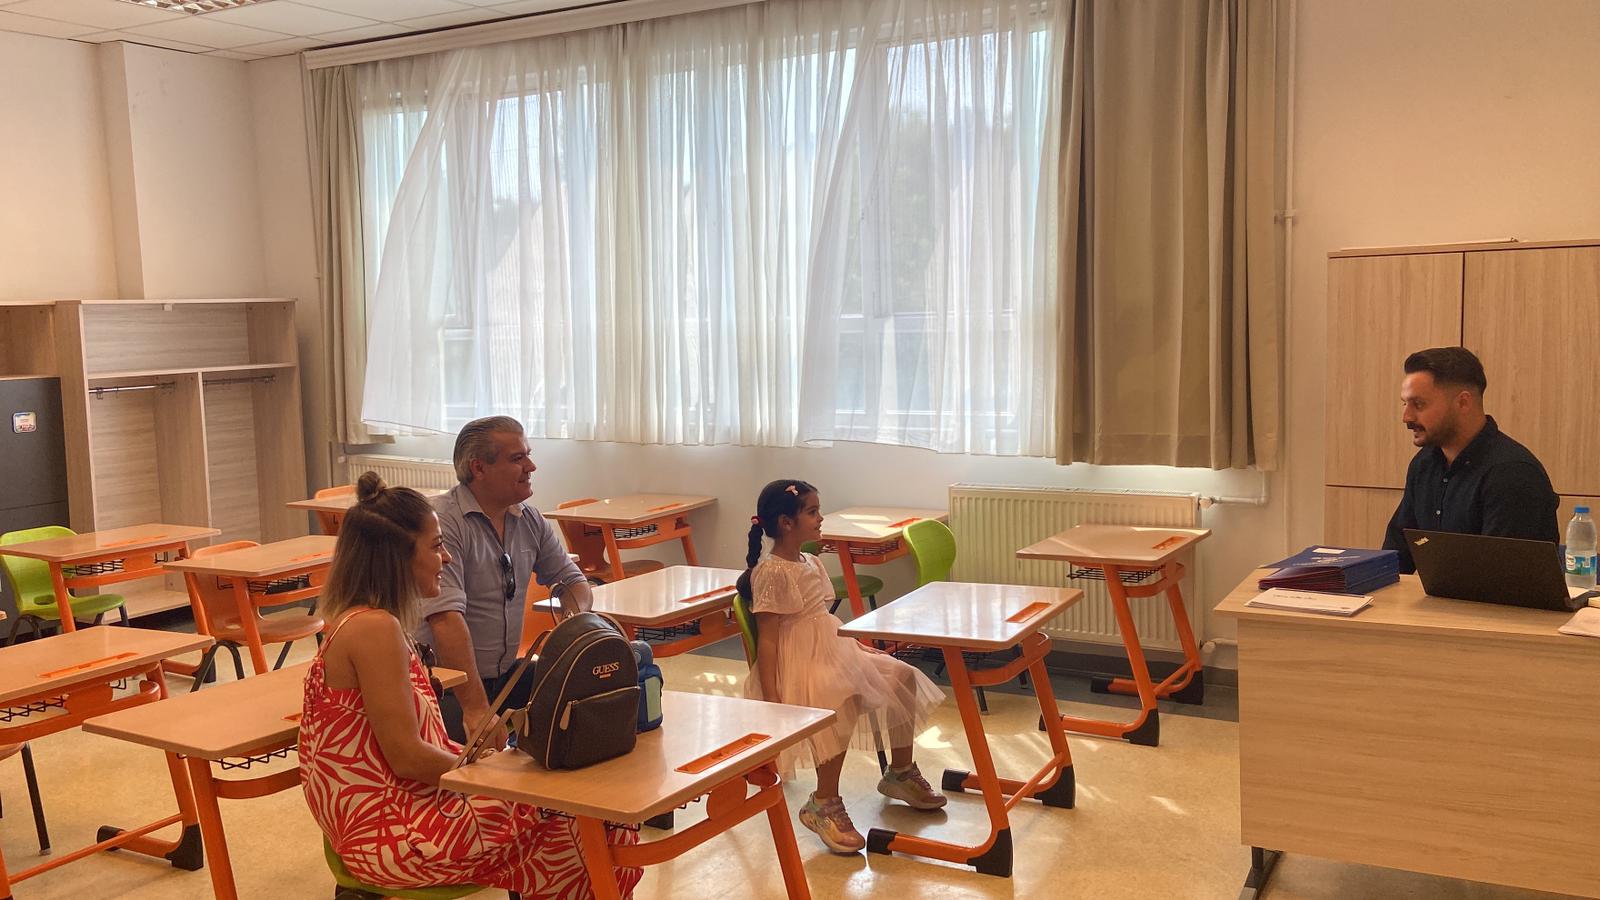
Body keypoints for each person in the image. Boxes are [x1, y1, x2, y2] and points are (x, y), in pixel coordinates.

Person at [300, 473, 641, 898]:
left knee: (577, 809)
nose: (445, 558)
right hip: (394, 832)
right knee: (581, 821)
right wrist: (489, 775)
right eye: (435, 546)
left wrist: (486, 765)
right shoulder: (374, 629)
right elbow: (406, 758)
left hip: (404, 812)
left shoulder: (368, 622)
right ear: (397, 558)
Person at [737, 478, 947, 855]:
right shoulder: (771, 571)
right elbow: (768, 638)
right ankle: (823, 802)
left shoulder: (812, 561)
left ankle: (900, 773)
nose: (820, 518)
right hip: (797, 661)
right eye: (812, 512)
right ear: (786, 523)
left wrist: (858, 649)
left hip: (831, 647)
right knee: (841, 697)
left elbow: (823, 620)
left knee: (902, 675)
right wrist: (771, 698)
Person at [422, 416, 594, 742]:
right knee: (472, 749)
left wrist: (573, 624)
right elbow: (445, 618)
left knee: (598, 683)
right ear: (479, 468)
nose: (531, 467)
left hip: (505, 676)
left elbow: (572, 580)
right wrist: (476, 709)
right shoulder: (444, 522)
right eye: (517, 458)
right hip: (448, 683)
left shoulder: (529, 518)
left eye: (528, 455)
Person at [1382, 347, 1558, 573]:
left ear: (1463, 402)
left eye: (1419, 404)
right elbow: (1395, 558)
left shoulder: (1512, 473)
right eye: (1404, 404)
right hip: (1444, 596)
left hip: (1496, 597)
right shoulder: (1423, 464)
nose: (1406, 417)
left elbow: (1503, 578)